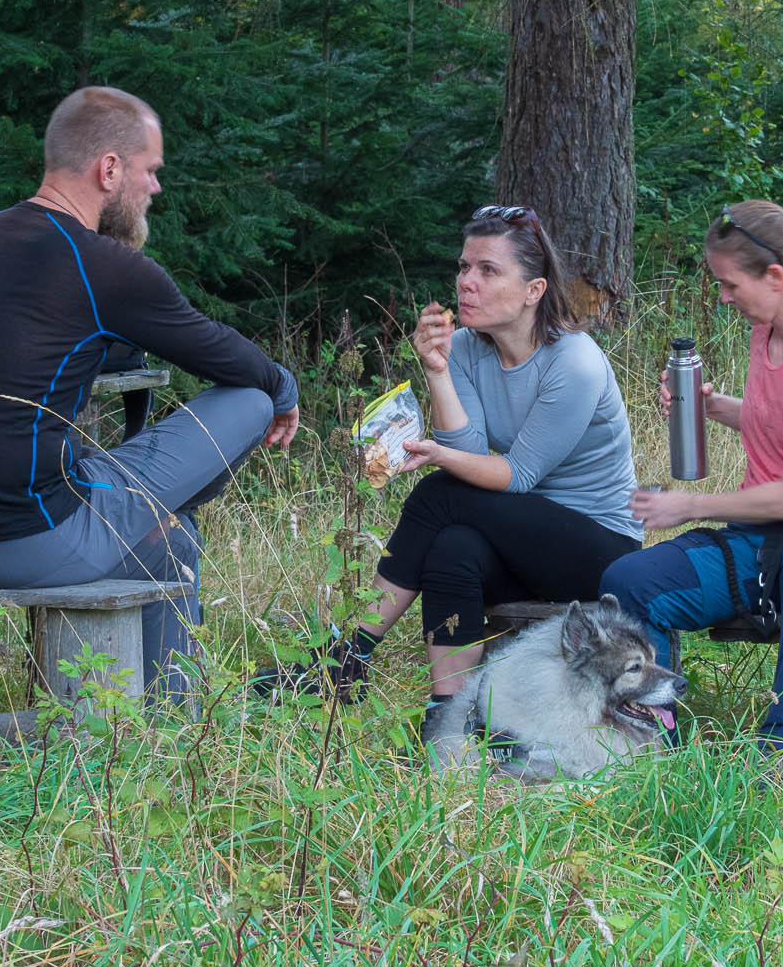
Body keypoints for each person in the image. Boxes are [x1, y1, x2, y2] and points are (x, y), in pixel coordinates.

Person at [0, 86, 300, 715]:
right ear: (110, 169)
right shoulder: (100, 264)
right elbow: (236, 362)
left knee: (170, 539)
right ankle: (150, 724)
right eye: (151, 171)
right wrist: (286, 392)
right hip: (27, 544)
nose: (155, 189)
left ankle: (167, 718)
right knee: (251, 398)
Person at [268, 205, 640, 736]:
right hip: (521, 539)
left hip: (600, 549)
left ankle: (345, 658)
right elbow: (465, 446)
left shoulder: (573, 362)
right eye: (464, 267)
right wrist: (437, 371)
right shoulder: (466, 346)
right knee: (453, 547)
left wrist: (441, 459)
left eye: (489, 271)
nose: (467, 282)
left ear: (534, 290)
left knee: (441, 491)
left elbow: (518, 475)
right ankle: (450, 721)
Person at [598, 201, 783, 768]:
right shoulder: (768, 330)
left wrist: (689, 505)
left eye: (730, 284)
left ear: (775, 276)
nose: (724, 297)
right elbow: (779, 419)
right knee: (629, 579)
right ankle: (656, 748)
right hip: (758, 543)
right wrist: (707, 407)